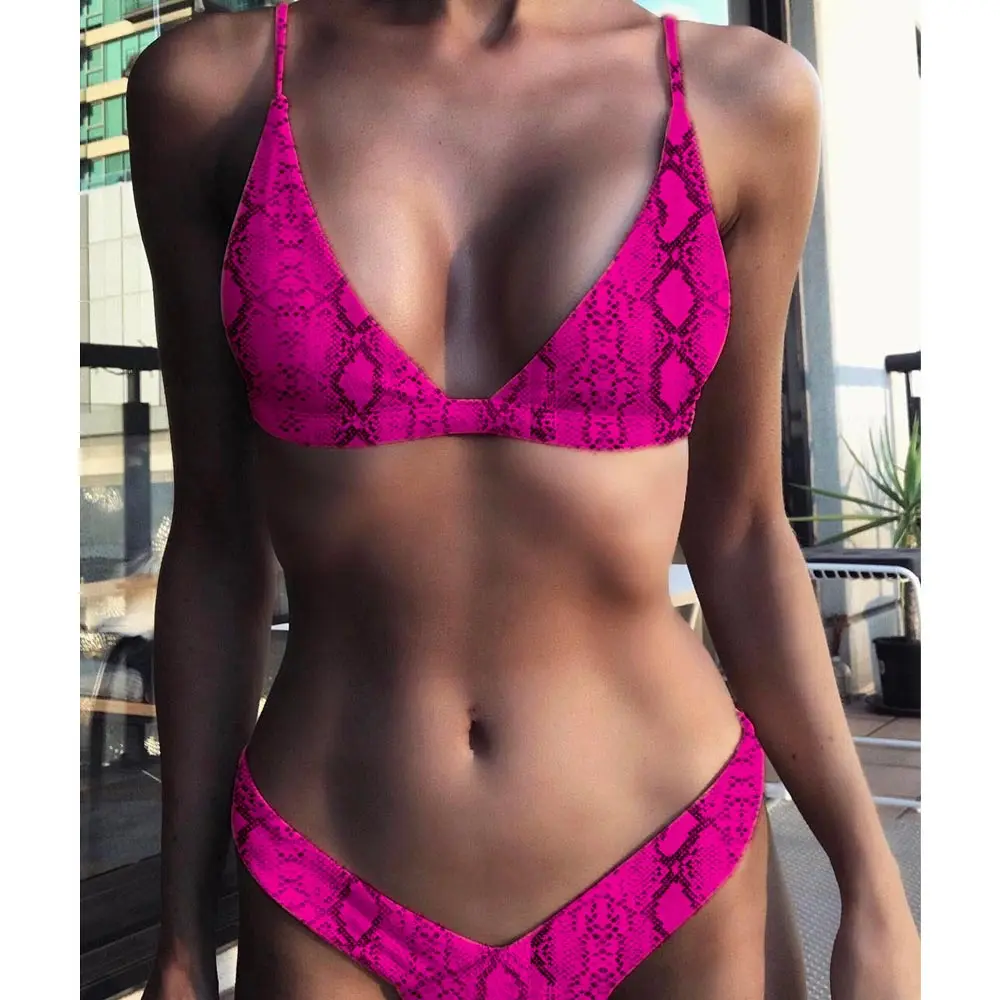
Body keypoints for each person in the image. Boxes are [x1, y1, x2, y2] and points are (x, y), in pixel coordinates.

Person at [127, 1, 920, 998]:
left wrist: (868, 877)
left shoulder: (743, 97)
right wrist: (180, 933)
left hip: (667, 867)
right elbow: (213, 543)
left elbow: (745, 532)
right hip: (327, 878)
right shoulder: (210, 94)